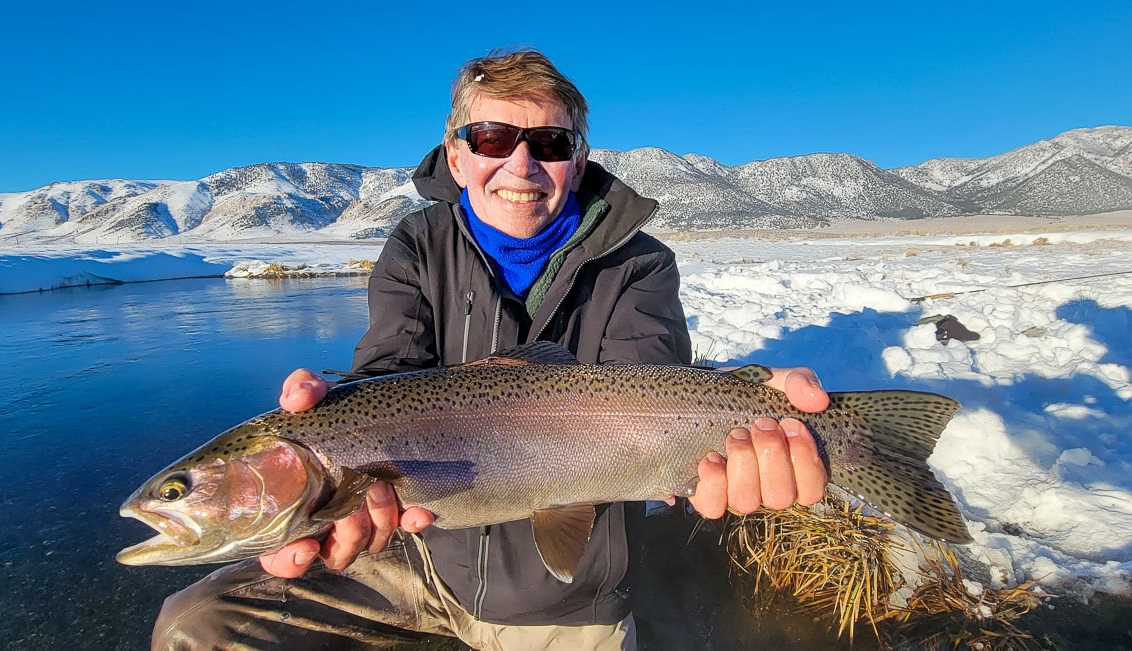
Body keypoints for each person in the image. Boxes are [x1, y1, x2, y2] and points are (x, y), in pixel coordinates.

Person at [152, 49, 829, 650]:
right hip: (412, 551)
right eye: (493, 137)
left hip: (565, 591)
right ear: (456, 154)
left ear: (579, 156)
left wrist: (751, 402)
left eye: (550, 141)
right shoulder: (415, 247)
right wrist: (338, 418)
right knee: (197, 623)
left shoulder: (639, 265)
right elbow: (390, 371)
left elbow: (650, 390)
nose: (521, 163)